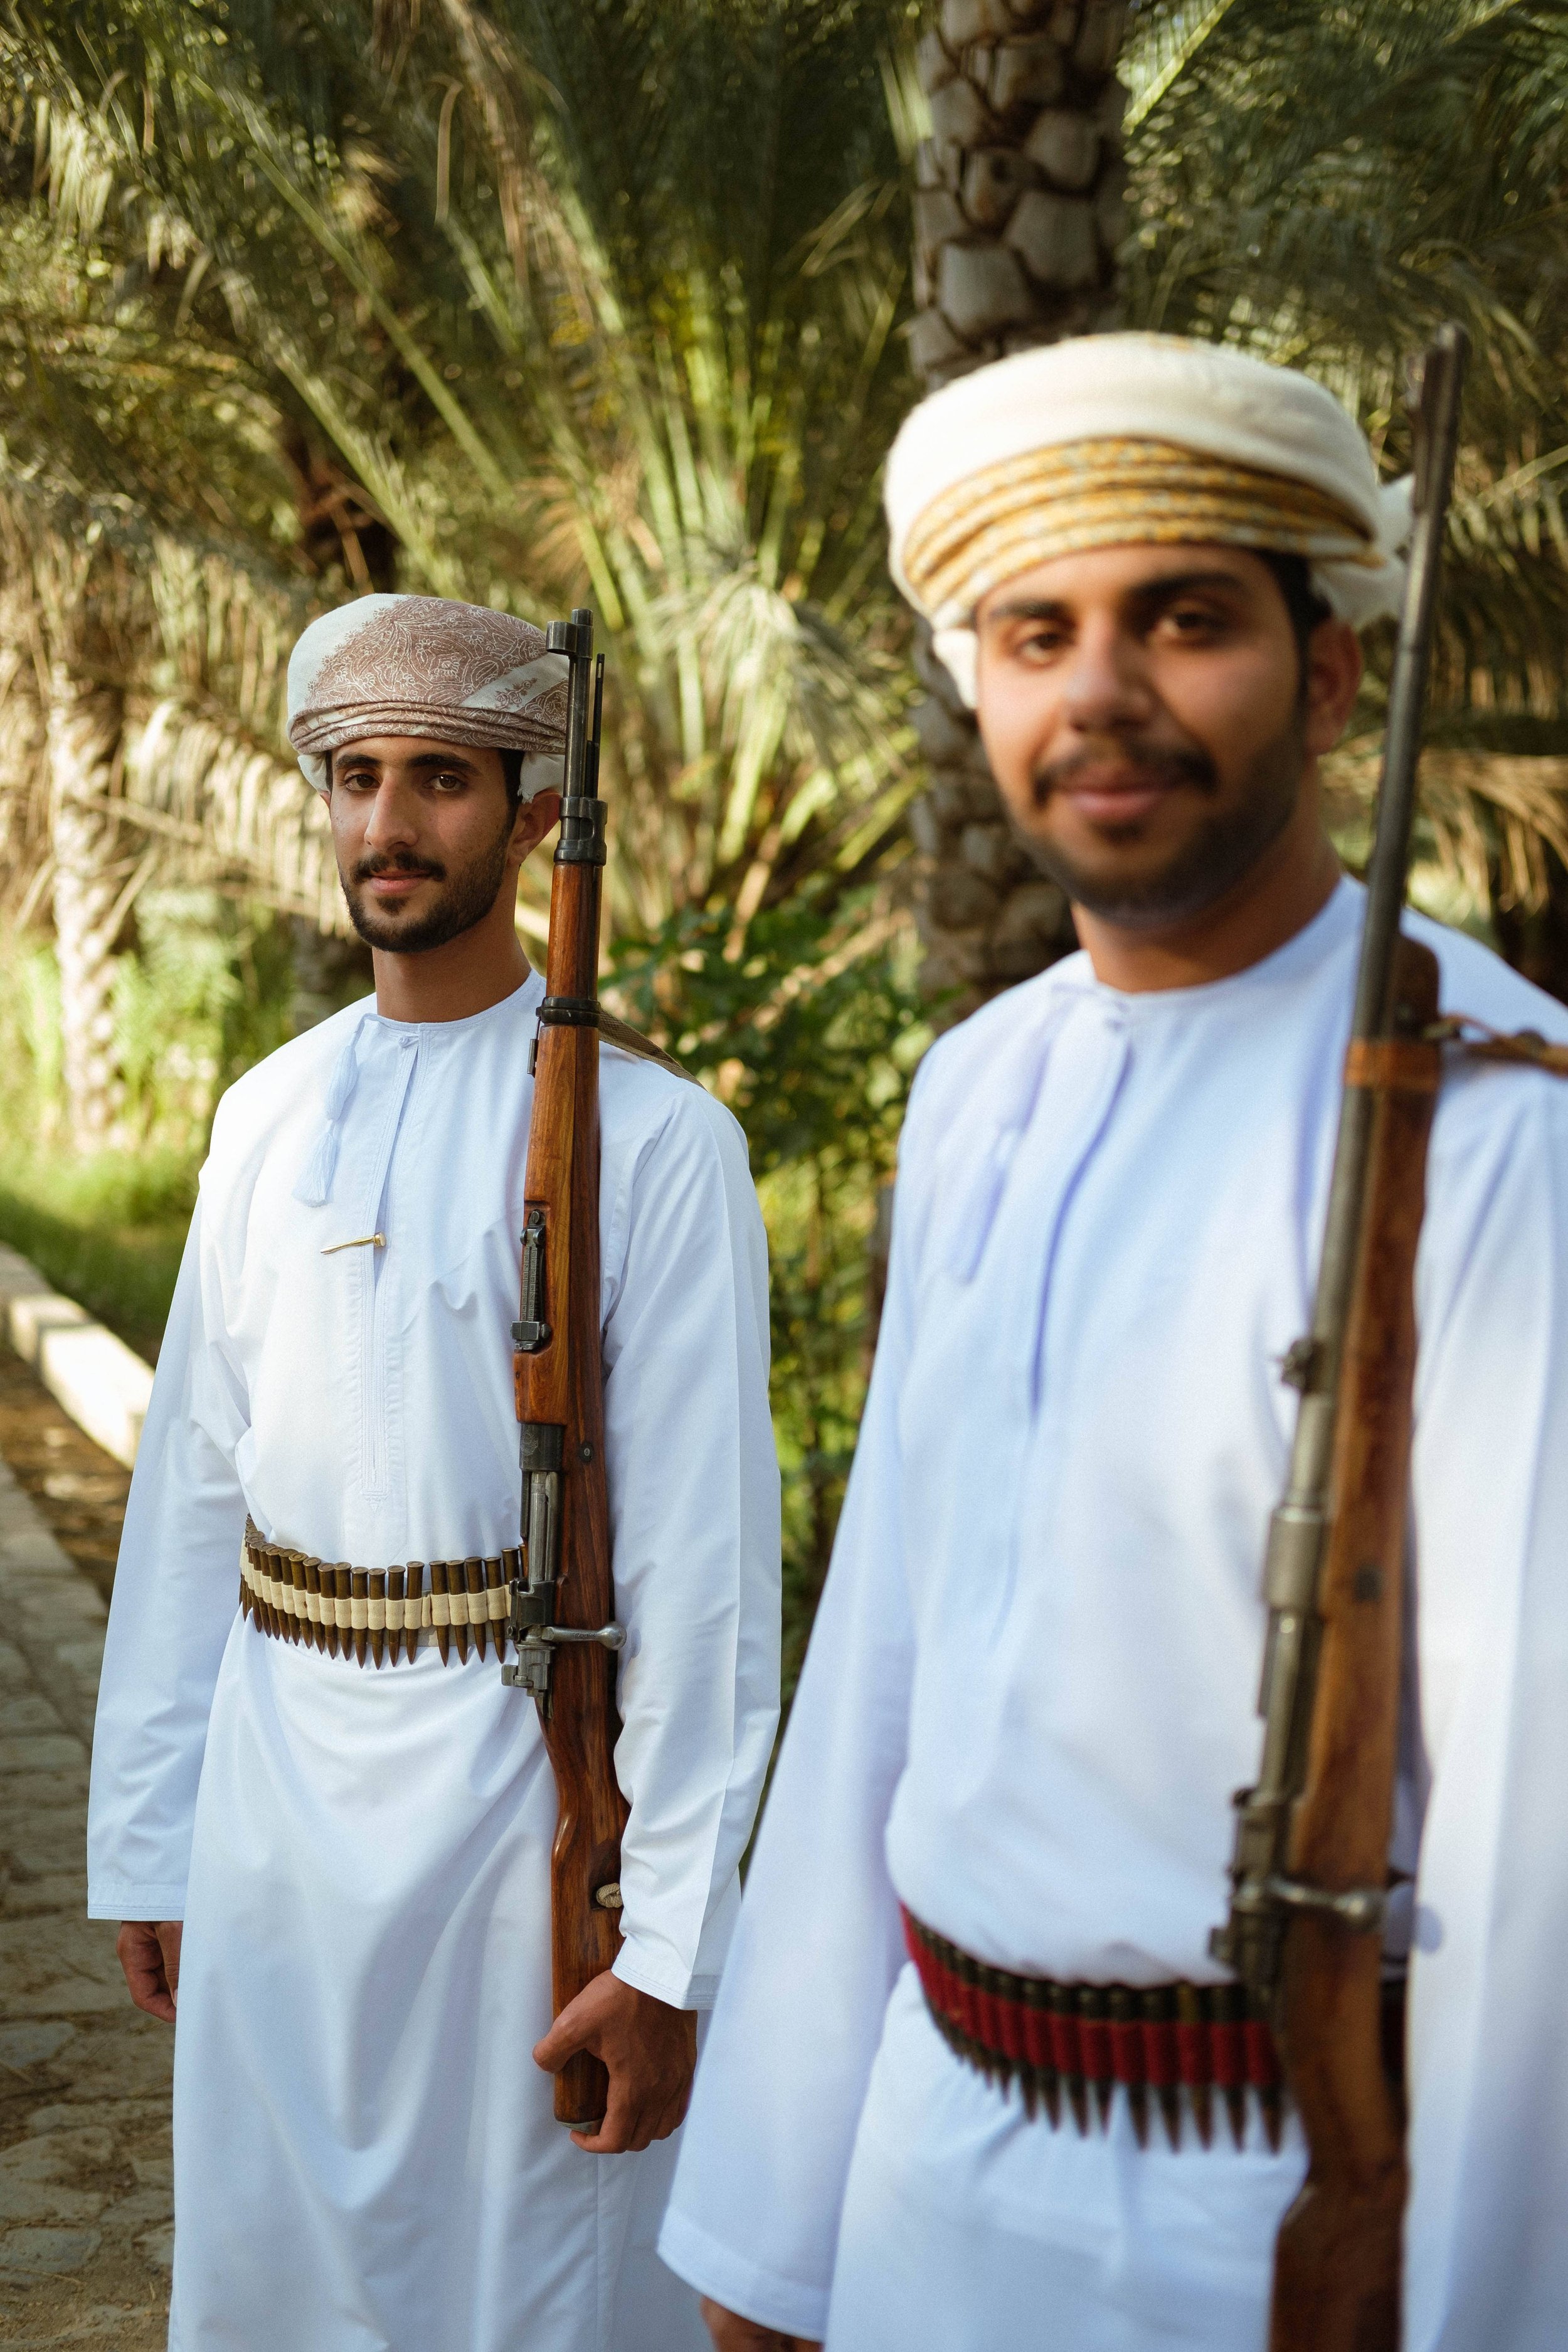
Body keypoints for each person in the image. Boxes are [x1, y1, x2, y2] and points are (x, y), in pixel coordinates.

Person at [661, 334, 1568, 2352]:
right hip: (925, 2169)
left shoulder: (1500, 1126)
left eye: (1183, 620)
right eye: (1035, 630)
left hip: (1278, 2223)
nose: (1100, 693)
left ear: (1328, 678)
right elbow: (880, 1658)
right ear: (975, 687)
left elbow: (1545, 1861)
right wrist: (774, 2217)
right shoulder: (977, 1084)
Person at [87, 593, 781, 2352]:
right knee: (273, 2273)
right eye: (358, 780)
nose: (387, 827)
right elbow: (188, 1504)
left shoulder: (663, 1146)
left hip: (516, 1817)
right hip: (272, 1799)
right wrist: (149, 1839)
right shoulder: (264, 1113)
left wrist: (671, 1948)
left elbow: (705, 1586)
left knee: (530, 2283)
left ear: (536, 815)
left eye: (442, 782)